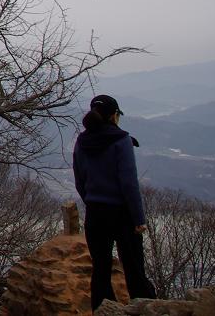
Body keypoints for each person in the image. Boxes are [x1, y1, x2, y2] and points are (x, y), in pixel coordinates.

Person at [73, 94, 158, 310]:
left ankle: (103, 311)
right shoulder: (121, 140)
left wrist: (91, 202)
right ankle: (146, 310)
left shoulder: (82, 141)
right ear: (113, 115)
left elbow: (79, 180)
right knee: (134, 269)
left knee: (100, 270)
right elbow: (129, 184)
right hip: (122, 213)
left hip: (95, 213)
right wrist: (138, 218)